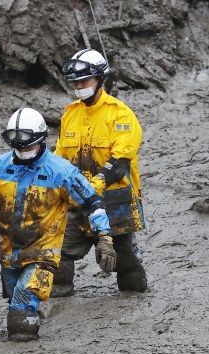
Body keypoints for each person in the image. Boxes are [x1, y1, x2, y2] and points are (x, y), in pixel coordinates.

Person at [0, 107, 115, 341]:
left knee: (20, 316)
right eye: (17, 145)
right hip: (9, 253)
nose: (22, 149)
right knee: (15, 297)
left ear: (42, 139)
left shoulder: (62, 171)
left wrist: (104, 237)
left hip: (43, 254)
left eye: (28, 144)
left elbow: (92, 204)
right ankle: (29, 313)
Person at [52, 48, 148, 296]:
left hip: (113, 201)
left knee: (125, 262)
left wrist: (95, 185)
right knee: (59, 250)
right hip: (76, 201)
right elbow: (59, 159)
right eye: (75, 82)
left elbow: (119, 164)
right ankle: (60, 296)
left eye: (84, 80)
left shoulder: (120, 114)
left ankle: (133, 298)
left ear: (100, 79)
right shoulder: (70, 114)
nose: (78, 86)